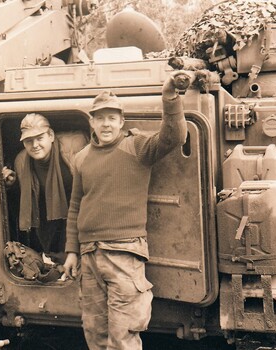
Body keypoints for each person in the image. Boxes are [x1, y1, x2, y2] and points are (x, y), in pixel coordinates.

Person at [63, 74, 189, 350]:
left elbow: (175, 137)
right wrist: (72, 251)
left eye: (112, 118)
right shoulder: (81, 157)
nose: (106, 124)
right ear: (92, 122)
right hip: (89, 255)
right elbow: (75, 206)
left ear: (121, 121)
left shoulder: (137, 146)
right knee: (94, 334)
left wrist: (170, 98)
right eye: (100, 118)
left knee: (123, 337)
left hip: (125, 255)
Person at [2, 113, 87, 264]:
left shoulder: (74, 147)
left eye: (39, 138)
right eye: (29, 141)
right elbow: (23, 202)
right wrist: (12, 185)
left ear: (51, 136)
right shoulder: (21, 161)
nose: (35, 145)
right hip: (46, 221)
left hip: (78, 216)